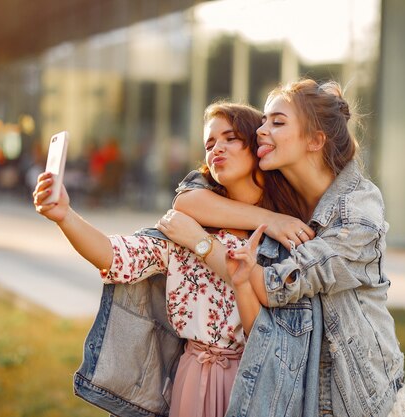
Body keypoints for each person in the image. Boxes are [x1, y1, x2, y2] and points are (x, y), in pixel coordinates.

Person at [32, 101, 313, 417]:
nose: (216, 148)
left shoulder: (286, 234)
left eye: (230, 137)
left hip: (256, 383)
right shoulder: (185, 228)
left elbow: (278, 330)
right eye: (209, 143)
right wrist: (64, 216)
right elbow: (115, 256)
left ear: (256, 146)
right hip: (191, 377)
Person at [164, 79, 405, 416]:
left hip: (361, 401)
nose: (261, 131)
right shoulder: (282, 193)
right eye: (264, 120)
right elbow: (189, 198)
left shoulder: (358, 210)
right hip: (297, 396)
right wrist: (271, 218)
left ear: (315, 140)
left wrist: (202, 243)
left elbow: (274, 285)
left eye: (277, 122)